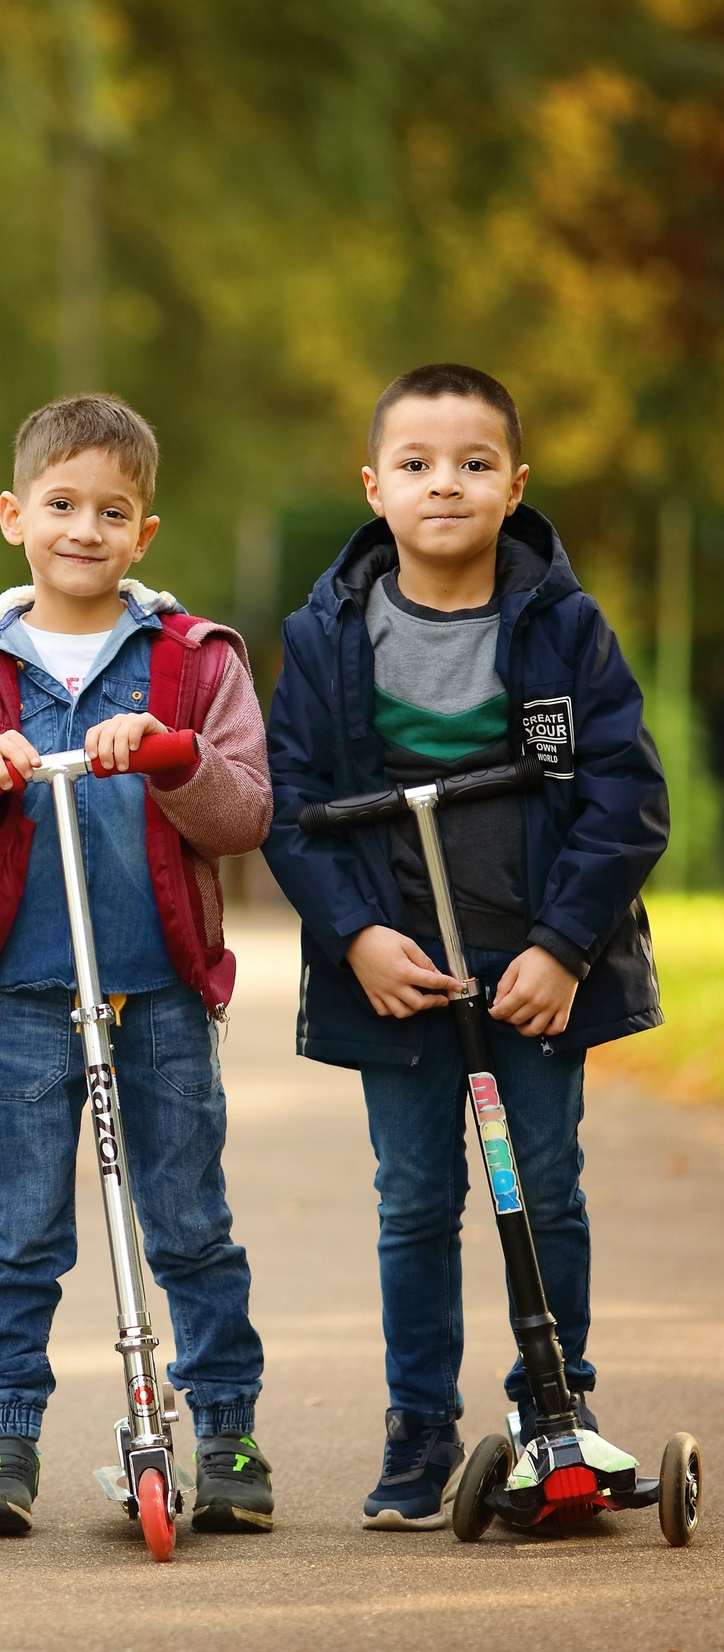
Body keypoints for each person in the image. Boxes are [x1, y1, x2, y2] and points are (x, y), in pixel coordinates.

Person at [262, 363, 667, 1529]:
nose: (447, 483)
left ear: (515, 484)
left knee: (544, 1183)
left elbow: (626, 797)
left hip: (533, 967)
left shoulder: (563, 626)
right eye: (418, 463)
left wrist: (563, 946)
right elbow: (291, 808)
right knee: (413, 1197)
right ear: (374, 487)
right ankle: (418, 1423)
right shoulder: (330, 634)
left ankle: (557, 1406)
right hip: (399, 973)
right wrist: (358, 938)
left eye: (475, 462)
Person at [0, 394, 275, 1536]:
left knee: (189, 1216)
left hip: (157, 986)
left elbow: (244, 812)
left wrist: (170, 759)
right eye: (61, 505)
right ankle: (4, 1432)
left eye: (112, 510)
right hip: (27, 988)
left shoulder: (192, 657)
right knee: (19, 1223)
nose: (84, 528)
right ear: (14, 515)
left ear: (143, 533)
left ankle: (226, 1427)